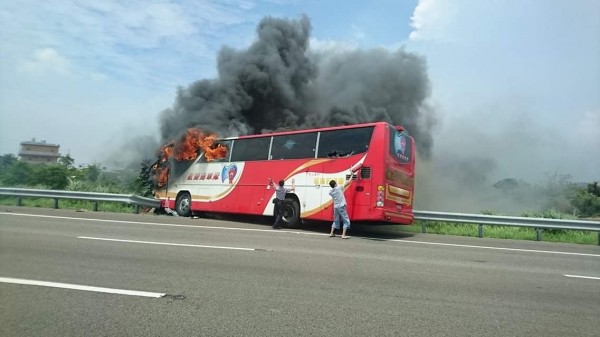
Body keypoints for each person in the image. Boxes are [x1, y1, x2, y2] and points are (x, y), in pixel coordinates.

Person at [328, 172, 353, 239]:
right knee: (346, 219)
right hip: (341, 206)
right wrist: (352, 175)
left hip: (335, 207)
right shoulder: (339, 188)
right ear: (335, 184)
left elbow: (333, 190)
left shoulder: (330, 192)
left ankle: (331, 233)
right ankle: (343, 235)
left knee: (336, 219)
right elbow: (347, 183)